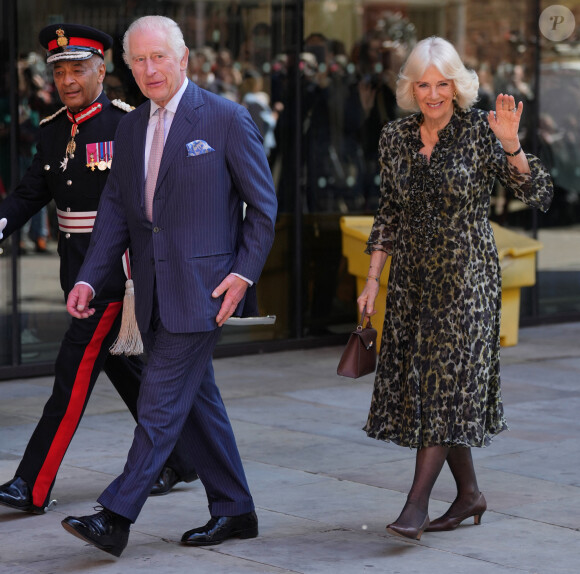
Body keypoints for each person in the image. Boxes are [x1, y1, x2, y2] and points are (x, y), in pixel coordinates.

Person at [62, 15, 277, 557]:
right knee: (197, 405)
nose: (149, 68)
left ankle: (115, 515)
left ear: (184, 58)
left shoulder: (226, 119)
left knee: (157, 403)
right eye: (139, 59)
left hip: (205, 290)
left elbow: (264, 208)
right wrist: (90, 276)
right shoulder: (131, 126)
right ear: (128, 68)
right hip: (153, 289)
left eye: (159, 56)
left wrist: (243, 272)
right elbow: (115, 211)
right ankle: (236, 510)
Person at [357, 36, 553, 541]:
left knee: (444, 389)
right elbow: (390, 213)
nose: (432, 93)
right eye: (423, 84)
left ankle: (415, 504)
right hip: (411, 283)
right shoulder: (395, 136)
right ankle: (469, 496)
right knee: (436, 390)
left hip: (467, 281)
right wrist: (373, 281)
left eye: (442, 83)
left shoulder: (479, 132)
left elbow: (539, 194)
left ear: (457, 85)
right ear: (410, 88)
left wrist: (511, 144)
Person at [0, 23, 197, 516]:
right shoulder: (50, 133)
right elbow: (29, 195)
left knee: (71, 377)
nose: (68, 80)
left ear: (102, 70)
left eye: (78, 69)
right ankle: (181, 458)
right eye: (60, 71)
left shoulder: (126, 124)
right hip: (77, 274)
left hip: (116, 277)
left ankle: (31, 483)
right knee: (128, 369)